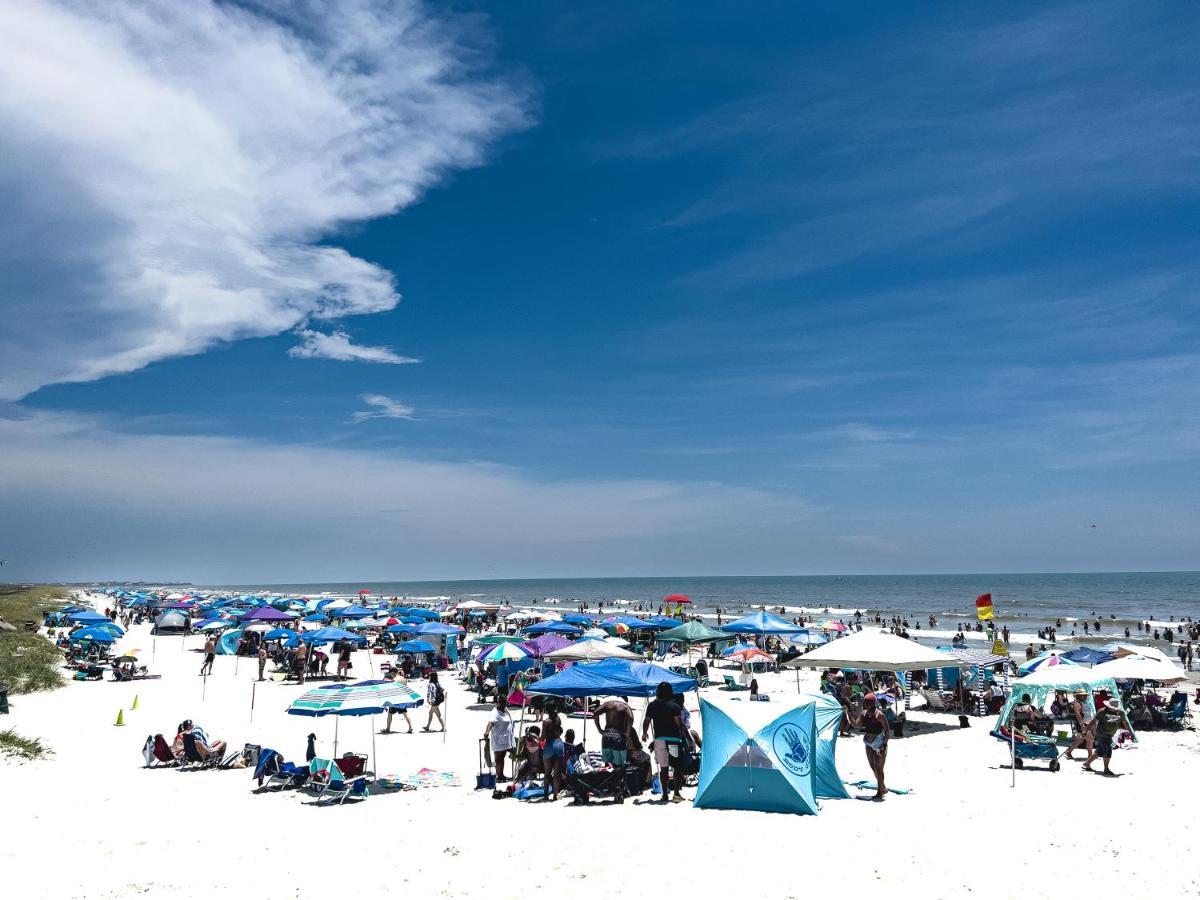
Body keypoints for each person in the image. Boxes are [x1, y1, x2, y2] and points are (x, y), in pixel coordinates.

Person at [641, 681, 686, 803]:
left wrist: (644, 734)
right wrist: (688, 738)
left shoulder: (652, 705)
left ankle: (664, 794)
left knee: (664, 768)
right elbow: (680, 725)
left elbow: (646, 721)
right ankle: (676, 793)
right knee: (677, 767)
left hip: (659, 740)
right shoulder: (675, 706)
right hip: (673, 740)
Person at [849, 692, 889, 801]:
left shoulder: (879, 715)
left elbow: (887, 731)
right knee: (873, 767)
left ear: (873, 704)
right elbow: (856, 725)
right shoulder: (863, 713)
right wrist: (848, 713)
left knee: (879, 768)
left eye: (867, 703)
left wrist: (883, 746)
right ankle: (883, 787)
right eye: (865, 703)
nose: (865, 705)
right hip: (868, 742)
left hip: (879, 743)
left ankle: (879, 792)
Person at [1084, 699, 1133, 776]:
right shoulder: (1102, 712)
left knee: (1100, 751)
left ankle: (1087, 763)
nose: (1113, 709)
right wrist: (1086, 731)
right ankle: (1106, 769)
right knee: (1108, 750)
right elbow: (1093, 721)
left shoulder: (1121, 713)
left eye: (1114, 708)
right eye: (1111, 707)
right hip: (1101, 733)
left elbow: (1125, 722)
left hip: (1110, 734)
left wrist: (1131, 732)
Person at [592, 697, 634, 771]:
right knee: (618, 765)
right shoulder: (625, 706)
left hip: (606, 735)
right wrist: (627, 732)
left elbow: (595, 713)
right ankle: (617, 781)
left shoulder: (608, 704)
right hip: (618, 736)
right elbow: (631, 718)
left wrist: (599, 729)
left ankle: (608, 781)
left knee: (607, 764)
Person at [483, 697, 515, 782]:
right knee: (498, 759)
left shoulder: (505, 710)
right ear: (498, 702)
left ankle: (501, 775)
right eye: (503, 702)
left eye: (505, 702)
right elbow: (491, 723)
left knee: (502, 758)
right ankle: (498, 775)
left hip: (506, 739)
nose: (505, 704)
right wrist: (487, 731)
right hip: (498, 739)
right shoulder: (495, 712)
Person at [541, 704, 565, 801]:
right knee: (557, 773)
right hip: (558, 744)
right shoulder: (558, 719)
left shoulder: (546, 722)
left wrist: (536, 737)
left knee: (547, 773)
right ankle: (555, 795)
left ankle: (546, 795)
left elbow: (543, 737)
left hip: (550, 745)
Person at [1065, 690, 1094, 760]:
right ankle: (1090, 756)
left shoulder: (1083, 703)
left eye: (1085, 695)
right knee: (1090, 739)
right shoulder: (1077, 704)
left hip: (1086, 724)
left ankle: (1068, 751)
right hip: (1083, 724)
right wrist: (1082, 725)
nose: (1085, 696)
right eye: (1083, 695)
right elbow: (1078, 714)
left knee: (1079, 740)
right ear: (1079, 696)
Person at [382, 670, 414, 734]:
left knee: (390, 714)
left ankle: (388, 728)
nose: (391, 675)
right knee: (405, 713)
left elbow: (392, 690)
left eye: (391, 673)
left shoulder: (394, 680)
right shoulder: (404, 679)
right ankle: (410, 728)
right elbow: (406, 689)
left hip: (395, 700)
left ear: (393, 673)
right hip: (402, 699)